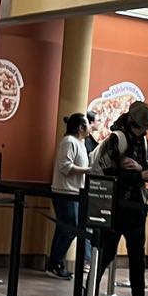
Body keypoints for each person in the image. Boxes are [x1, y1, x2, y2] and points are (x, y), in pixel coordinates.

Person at [91, 101, 148, 296]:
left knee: (137, 257)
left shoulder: (144, 142)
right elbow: (108, 173)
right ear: (131, 122)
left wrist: (139, 170)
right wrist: (137, 175)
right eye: (141, 126)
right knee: (106, 253)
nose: (143, 131)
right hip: (115, 206)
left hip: (135, 207)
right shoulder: (116, 139)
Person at [46, 113, 91, 279]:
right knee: (69, 229)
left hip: (74, 192)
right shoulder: (69, 142)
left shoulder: (80, 143)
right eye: (87, 125)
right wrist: (87, 170)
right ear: (80, 127)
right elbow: (65, 166)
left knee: (63, 229)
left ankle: (55, 263)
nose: (90, 128)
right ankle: (56, 263)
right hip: (65, 191)